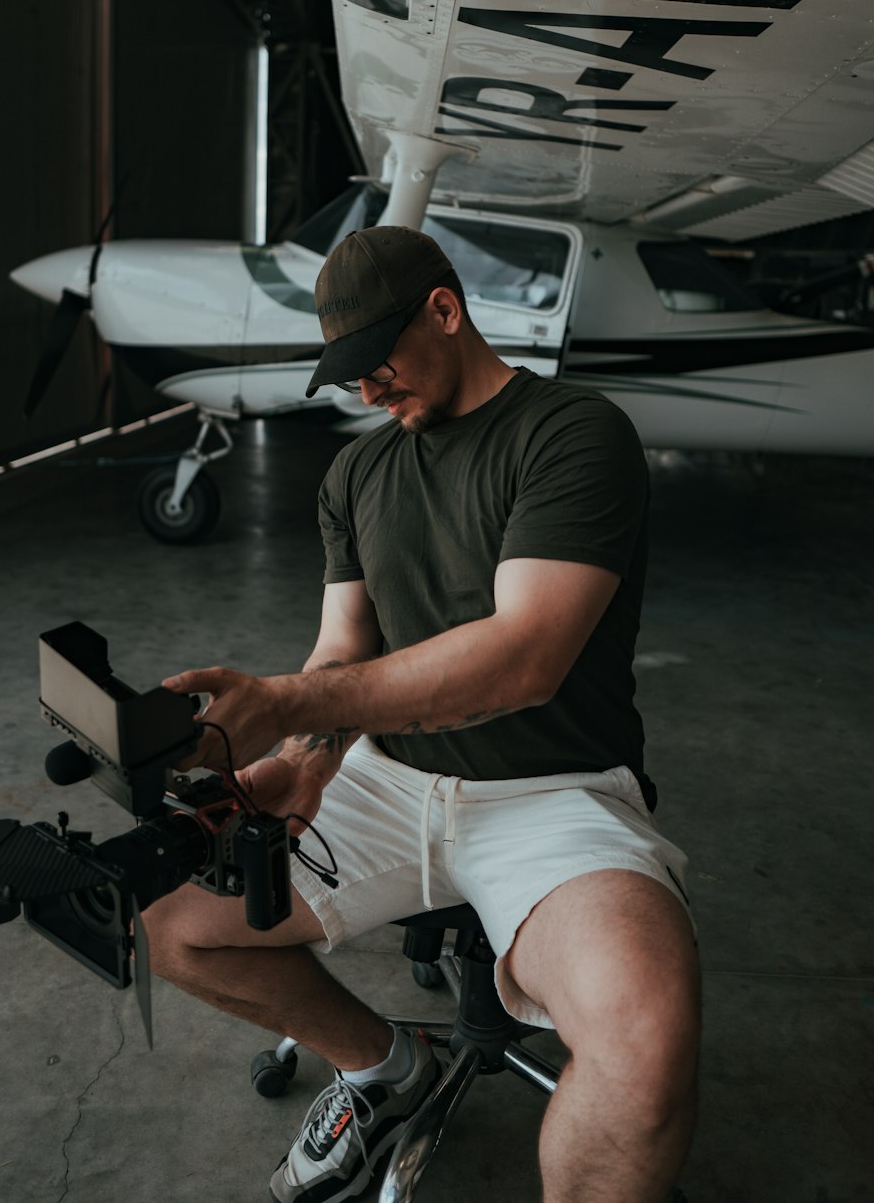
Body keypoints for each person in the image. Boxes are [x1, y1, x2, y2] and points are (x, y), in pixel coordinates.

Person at [145, 225, 700, 1203]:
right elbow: (341, 655)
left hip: (553, 792)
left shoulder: (570, 430)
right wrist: (286, 771)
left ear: (445, 311)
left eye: (375, 363)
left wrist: (285, 702)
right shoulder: (356, 476)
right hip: (384, 780)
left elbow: (525, 656)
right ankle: (380, 1068)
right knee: (171, 924)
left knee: (644, 1044)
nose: (363, 391)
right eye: (345, 374)